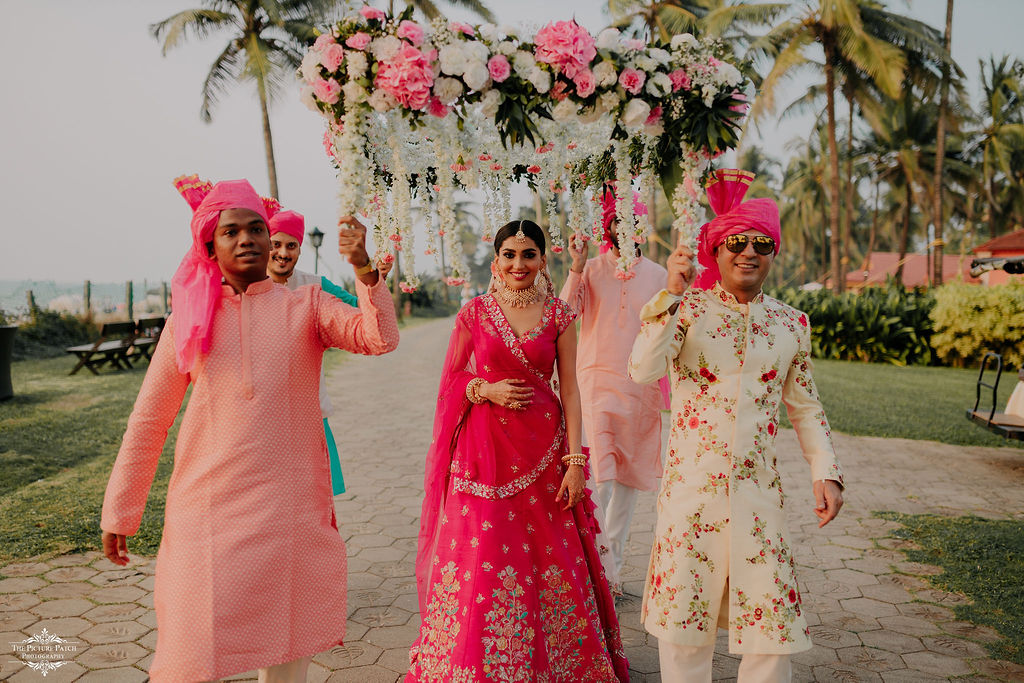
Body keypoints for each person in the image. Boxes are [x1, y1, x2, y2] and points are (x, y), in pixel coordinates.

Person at [100, 174, 399, 683]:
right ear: (209, 246)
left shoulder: (305, 308)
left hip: (289, 516)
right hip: (207, 515)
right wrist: (120, 510)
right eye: (231, 230)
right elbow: (150, 420)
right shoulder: (189, 321)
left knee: (286, 656)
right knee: (189, 655)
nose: (247, 239)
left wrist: (364, 271)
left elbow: (379, 337)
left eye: (256, 229)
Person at [627, 169, 844, 683]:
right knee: (685, 626)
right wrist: (669, 296)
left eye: (761, 244)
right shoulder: (684, 309)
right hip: (692, 493)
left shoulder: (792, 324)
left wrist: (827, 471)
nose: (748, 253)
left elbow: (807, 407)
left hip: (757, 494)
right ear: (715, 251)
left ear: (775, 252)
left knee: (770, 626)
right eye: (736, 243)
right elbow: (642, 370)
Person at [407, 220, 629, 682]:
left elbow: (571, 391)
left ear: (544, 261)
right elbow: (451, 381)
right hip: (482, 455)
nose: (518, 264)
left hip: (545, 453)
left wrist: (575, 461)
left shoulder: (560, 317)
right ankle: (475, 660)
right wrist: (484, 389)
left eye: (528, 254)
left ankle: (560, 662)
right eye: (509, 254)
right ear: (496, 262)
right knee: (483, 549)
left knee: (549, 553)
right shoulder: (475, 313)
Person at [560, 186, 668, 596]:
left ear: (642, 225)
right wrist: (575, 265)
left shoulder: (659, 277)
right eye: (616, 221)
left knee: (625, 482)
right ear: (608, 226)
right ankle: (593, 567)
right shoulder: (590, 268)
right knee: (600, 478)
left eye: (631, 221)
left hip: (640, 390)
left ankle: (613, 571)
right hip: (594, 383)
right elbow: (566, 314)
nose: (624, 229)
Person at [267, 209, 393, 495]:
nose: (283, 253)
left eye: (291, 245)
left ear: (300, 248)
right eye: (275, 244)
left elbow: (365, 315)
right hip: (259, 421)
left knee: (314, 503)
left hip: (309, 417)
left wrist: (372, 278)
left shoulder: (314, 285)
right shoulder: (244, 288)